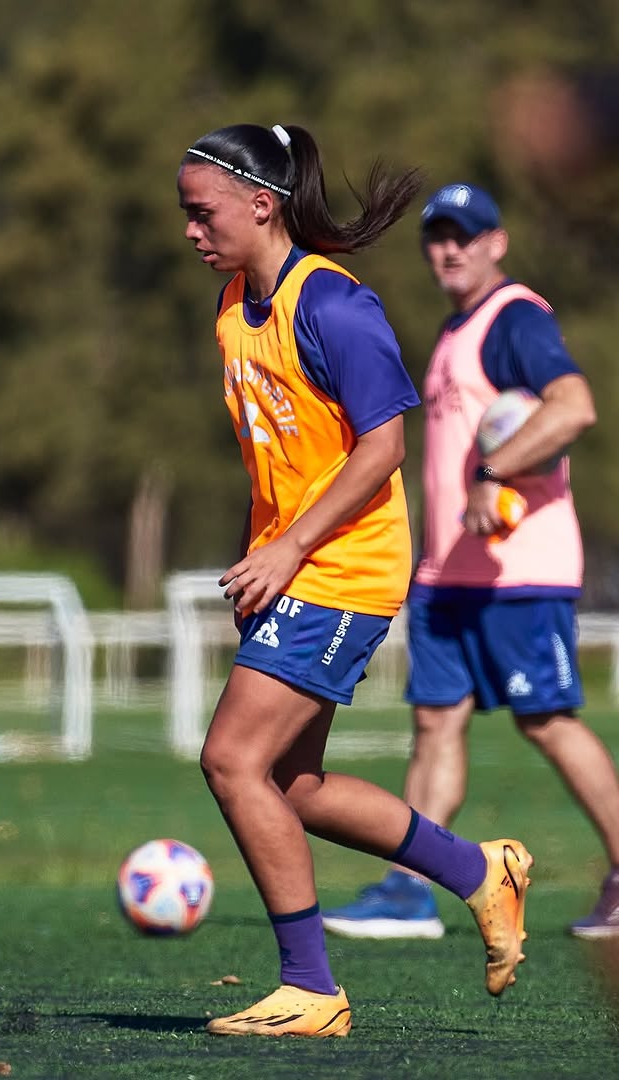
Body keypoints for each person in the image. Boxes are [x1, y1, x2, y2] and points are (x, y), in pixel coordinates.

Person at [178, 126, 533, 1040]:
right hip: (295, 566)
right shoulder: (231, 306)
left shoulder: (333, 304)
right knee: (289, 783)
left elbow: (384, 447)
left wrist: (290, 551)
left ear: (262, 203)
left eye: (201, 211)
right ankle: (477, 871)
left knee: (230, 762)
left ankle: (312, 989)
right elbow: (282, 458)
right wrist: (263, 557)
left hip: (344, 569)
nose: (190, 230)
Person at [322, 183, 619, 943]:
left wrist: (496, 475)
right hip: (449, 575)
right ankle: (409, 890)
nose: (449, 249)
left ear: (497, 242)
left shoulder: (515, 317)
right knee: (435, 724)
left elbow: (574, 406)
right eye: (437, 237)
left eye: (465, 235)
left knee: (547, 720)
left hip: (518, 570)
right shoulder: (458, 329)